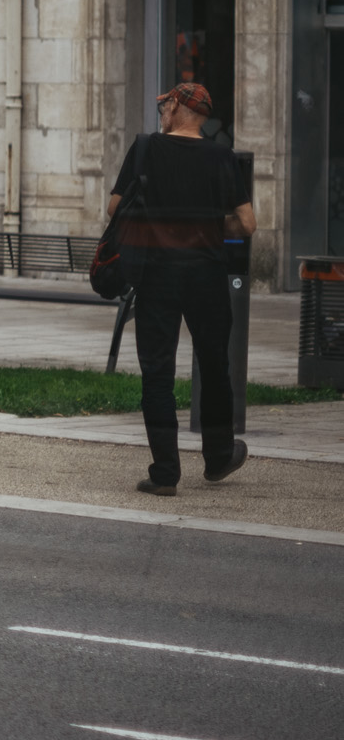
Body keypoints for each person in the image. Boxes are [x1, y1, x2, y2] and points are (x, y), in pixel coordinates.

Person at [111, 82, 256, 496]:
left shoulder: (144, 148)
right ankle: (218, 457)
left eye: (164, 105)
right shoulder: (221, 156)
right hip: (207, 275)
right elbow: (247, 224)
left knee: (157, 373)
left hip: (157, 275)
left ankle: (165, 473)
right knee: (214, 367)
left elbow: (113, 209)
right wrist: (212, 226)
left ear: (176, 106)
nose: (161, 112)